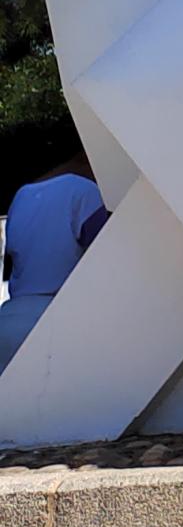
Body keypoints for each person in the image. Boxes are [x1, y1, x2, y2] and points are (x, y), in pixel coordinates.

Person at [0, 133, 108, 371]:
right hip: (57, 320)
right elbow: (106, 256)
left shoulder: (22, 195)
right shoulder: (85, 191)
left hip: (9, 317)